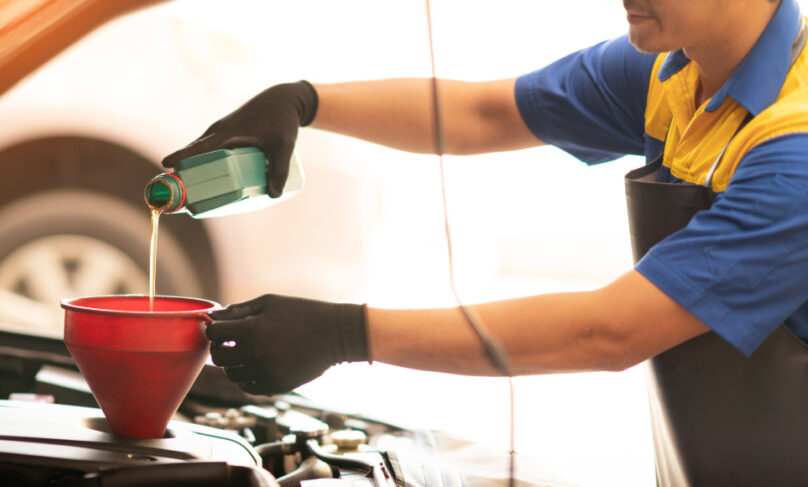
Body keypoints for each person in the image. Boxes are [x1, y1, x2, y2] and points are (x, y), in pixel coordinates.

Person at [163, 0, 808, 484]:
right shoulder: (675, 71)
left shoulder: (795, 152)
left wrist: (345, 335)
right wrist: (302, 103)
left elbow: (609, 332)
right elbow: (486, 114)